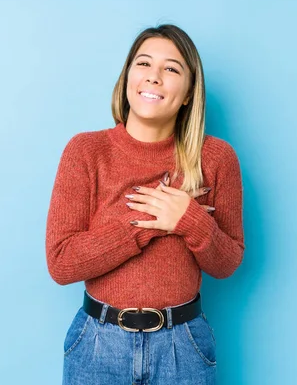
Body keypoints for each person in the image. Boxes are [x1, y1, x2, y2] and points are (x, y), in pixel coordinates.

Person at [45, 24, 245, 385]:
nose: (154, 77)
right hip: (97, 344)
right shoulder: (86, 151)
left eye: (171, 69)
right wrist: (147, 219)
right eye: (143, 64)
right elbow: (61, 262)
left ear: (188, 93)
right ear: (127, 78)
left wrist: (190, 220)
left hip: (182, 346)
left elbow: (227, 262)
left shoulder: (216, 158)